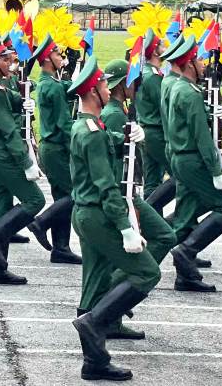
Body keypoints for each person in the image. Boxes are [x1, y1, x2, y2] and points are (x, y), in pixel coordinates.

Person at [67, 57, 162, 382]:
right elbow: (107, 186)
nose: (109, 89)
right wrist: (126, 228)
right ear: (93, 91)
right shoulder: (92, 133)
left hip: (85, 213)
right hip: (98, 215)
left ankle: (94, 361)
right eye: (104, 85)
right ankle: (95, 323)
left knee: (94, 284)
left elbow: (101, 150)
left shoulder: (86, 126)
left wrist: (124, 139)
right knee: (147, 272)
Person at [92, 58, 177, 341]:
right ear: (121, 86)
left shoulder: (121, 110)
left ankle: (113, 308)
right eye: (133, 83)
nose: (137, 87)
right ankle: (110, 298)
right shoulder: (114, 115)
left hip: (129, 191)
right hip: (123, 194)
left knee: (161, 238)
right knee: (164, 236)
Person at [165, 35, 222, 293]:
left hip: (181, 158)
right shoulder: (189, 93)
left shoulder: (180, 87)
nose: (202, 64)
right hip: (193, 159)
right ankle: (186, 251)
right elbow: (201, 137)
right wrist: (216, 170)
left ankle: (184, 276)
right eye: (198, 60)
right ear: (189, 64)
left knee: (185, 218)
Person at [0, 35, 45, 284]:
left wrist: (24, 100)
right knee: (35, 200)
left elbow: (12, 99)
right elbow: (8, 130)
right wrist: (26, 162)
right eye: (5, 60)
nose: (10, 63)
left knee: (0, 209)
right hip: (2, 155)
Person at [25, 34, 82, 265]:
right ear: (48, 58)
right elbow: (64, 124)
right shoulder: (52, 87)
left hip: (52, 148)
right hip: (57, 148)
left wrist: (80, 71)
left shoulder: (50, 82)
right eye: (59, 54)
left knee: (62, 197)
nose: (62, 57)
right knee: (73, 195)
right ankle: (41, 222)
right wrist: (80, 143)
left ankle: (61, 248)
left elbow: (70, 87)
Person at [136, 31, 175, 215]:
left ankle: (152, 222)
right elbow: (164, 107)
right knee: (180, 175)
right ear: (154, 52)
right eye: (161, 45)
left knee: (152, 182)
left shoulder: (147, 73)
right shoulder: (152, 77)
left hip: (147, 131)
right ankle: (147, 212)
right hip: (156, 133)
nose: (165, 48)